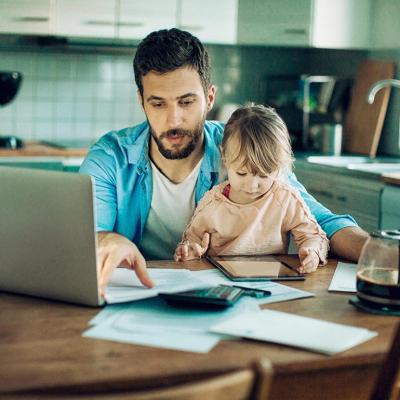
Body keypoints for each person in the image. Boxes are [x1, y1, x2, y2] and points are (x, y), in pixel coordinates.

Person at [79, 28, 368, 295]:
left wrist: (378, 251)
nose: (173, 119)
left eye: (186, 102)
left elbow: (323, 222)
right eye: (158, 103)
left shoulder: (242, 148)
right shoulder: (110, 157)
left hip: (226, 297)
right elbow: (85, 233)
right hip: (137, 294)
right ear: (141, 101)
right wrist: (106, 239)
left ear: (209, 97)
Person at [174, 105, 329, 273]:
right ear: (225, 157)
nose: (252, 185)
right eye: (241, 173)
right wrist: (189, 252)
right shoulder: (212, 203)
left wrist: (312, 251)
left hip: (269, 280)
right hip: (219, 279)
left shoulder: (285, 198)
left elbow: (314, 236)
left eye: (264, 175)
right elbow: (190, 243)